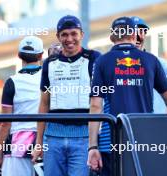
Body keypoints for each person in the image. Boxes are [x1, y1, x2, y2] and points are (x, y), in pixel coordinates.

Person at [87, 17, 167, 176]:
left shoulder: (102, 61)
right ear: (134, 35)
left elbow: (96, 106)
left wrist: (92, 147)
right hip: (144, 139)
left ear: (112, 37)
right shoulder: (151, 60)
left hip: (110, 142)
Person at [31, 15, 101, 176]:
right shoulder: (49, 63)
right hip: (53, 138)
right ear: (58, 37)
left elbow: (99, 101)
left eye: (73, 33)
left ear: (81, 35)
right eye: (64, 34)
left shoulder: (94, 58)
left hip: (84, 138)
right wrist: (39, 142)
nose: (69, 39)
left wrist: (93, 144)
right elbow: (44, 103)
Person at [0, 36, 44, 176]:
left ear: (19, 56)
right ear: (41, 55)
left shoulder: (11, 82)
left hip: (17, 146)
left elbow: (5, 123)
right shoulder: (48, 78)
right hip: (45, 143)